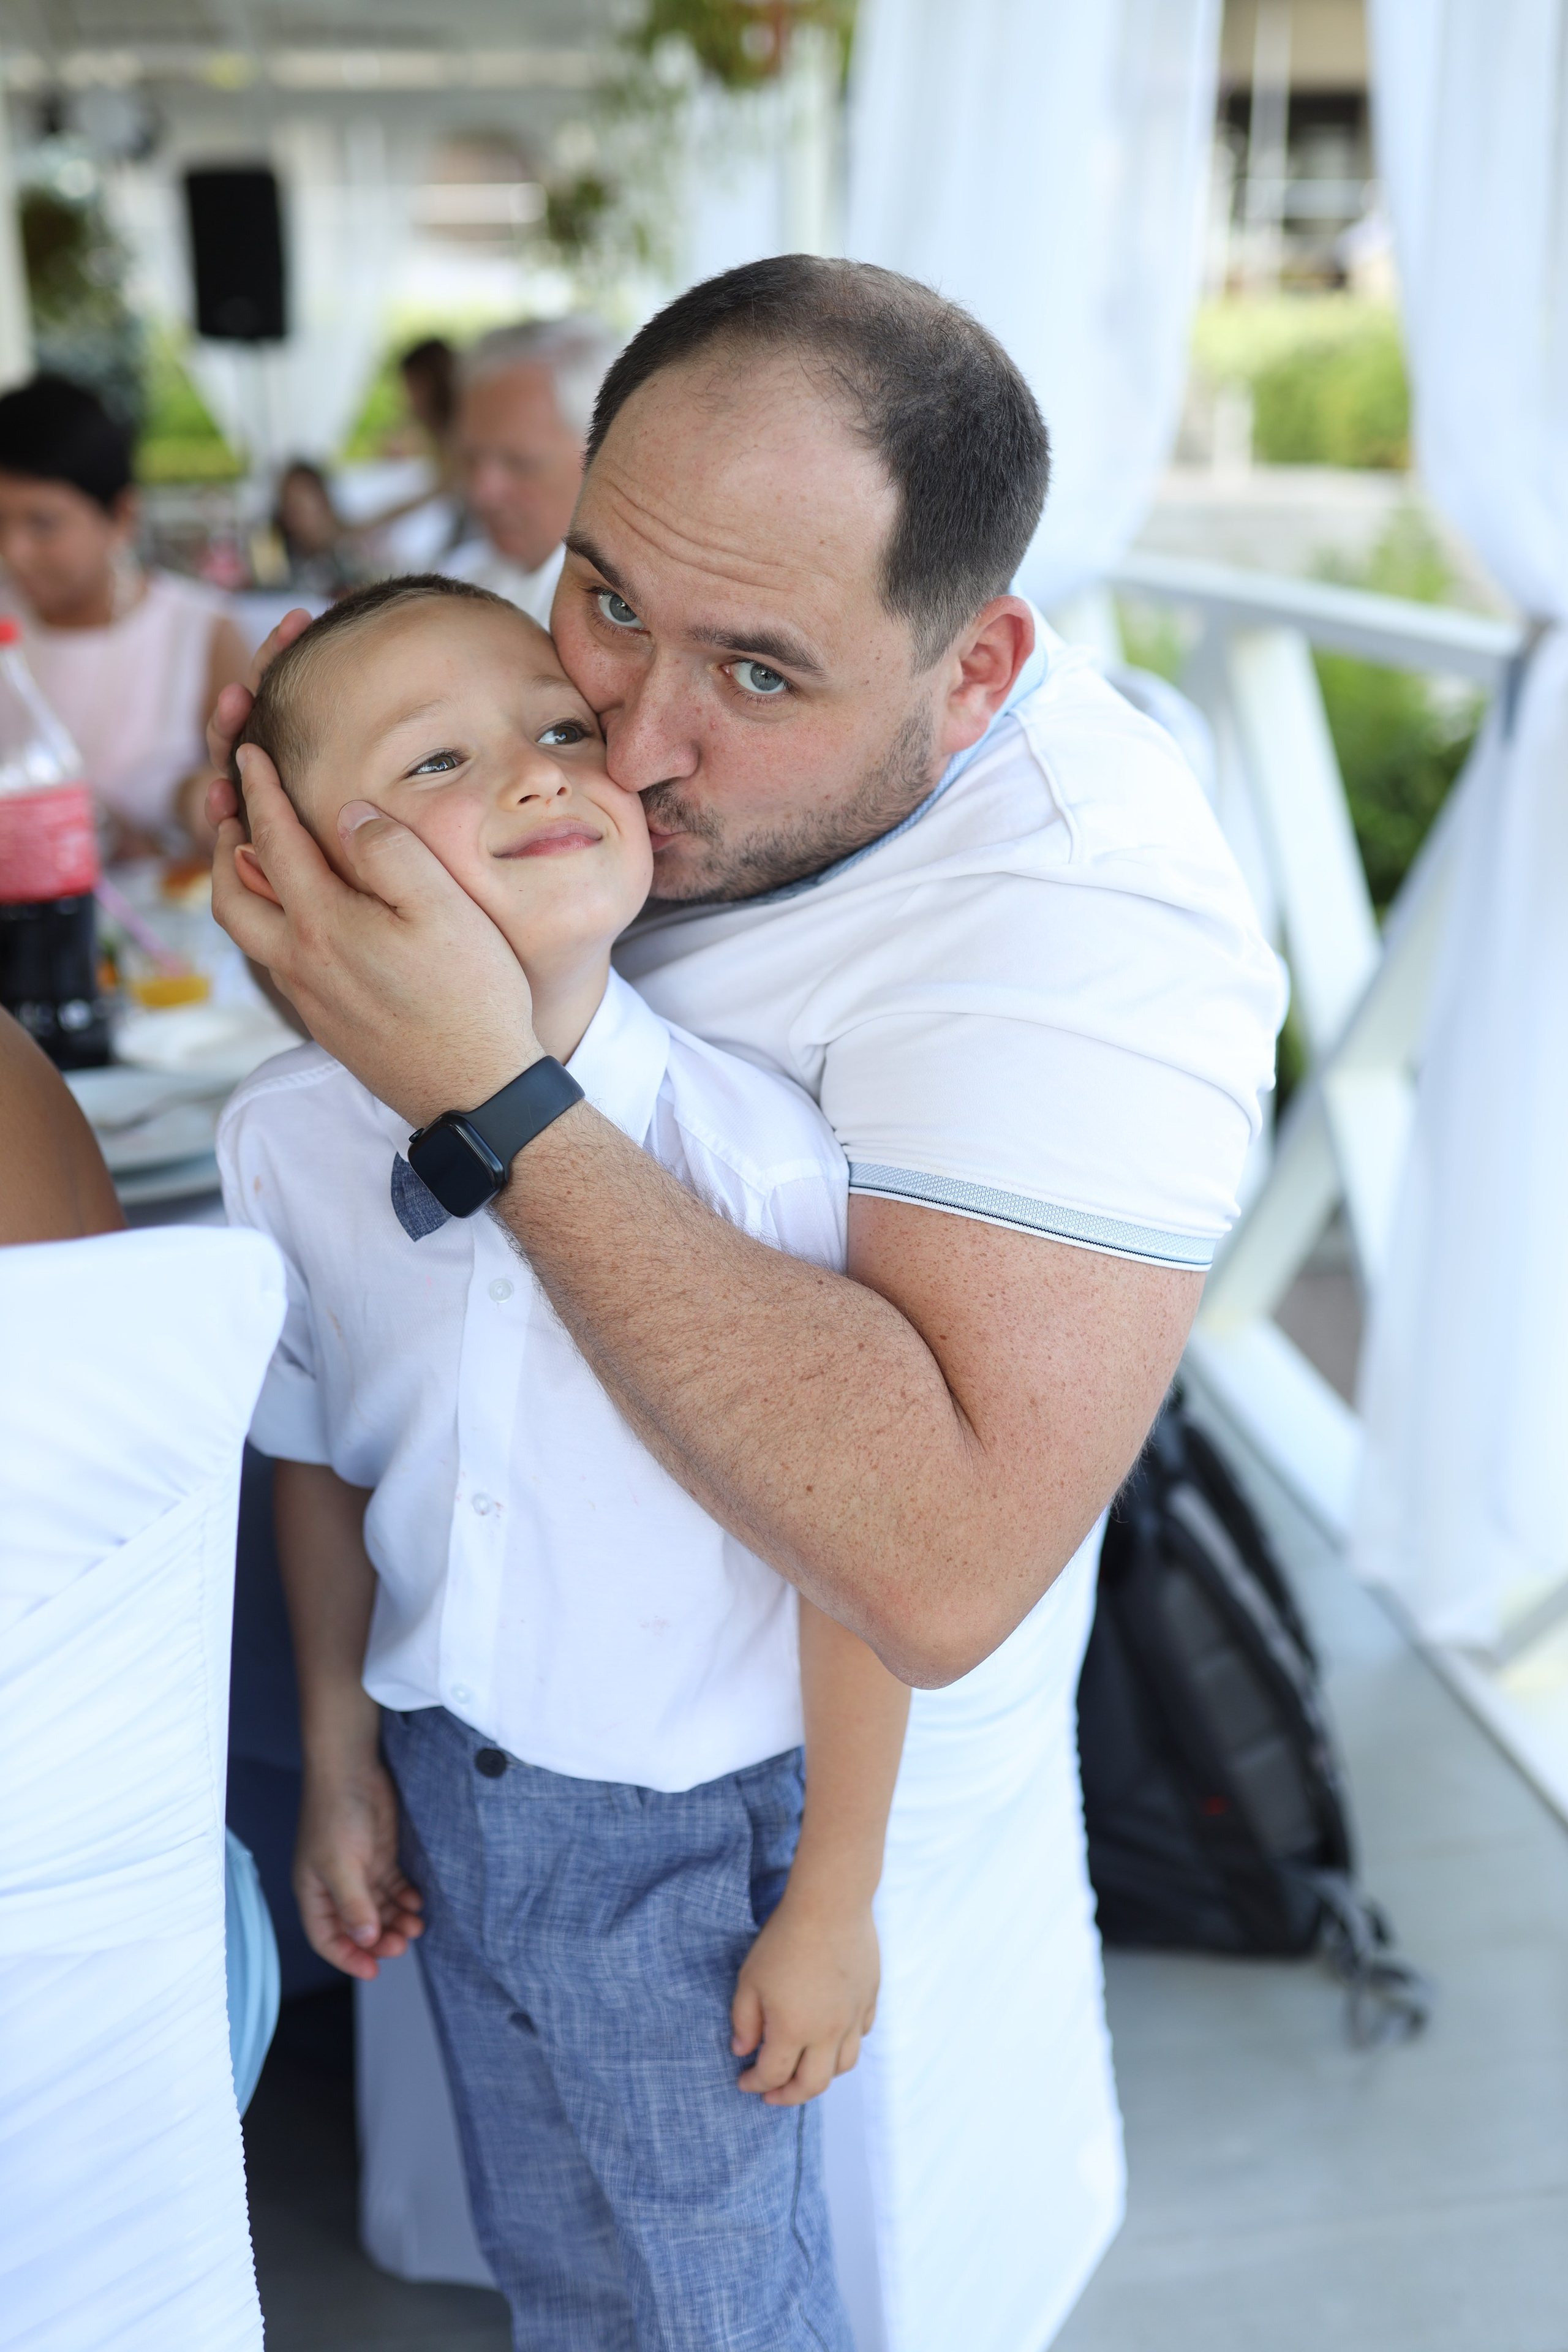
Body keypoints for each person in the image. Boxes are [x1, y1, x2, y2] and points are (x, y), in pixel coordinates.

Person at [206, 257, 1286, 2343]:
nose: (619, 734)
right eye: (599, 597)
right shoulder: (572, 764)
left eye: (762, 677)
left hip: (766, 1837)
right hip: (475, 1747)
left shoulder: (1095, 935)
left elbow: (932, 1558)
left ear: (975, 676)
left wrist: (490, 1092)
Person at [217, 573, 909, 2349]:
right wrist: (344, 1762)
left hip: (690, 1839)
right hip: (458, 1788)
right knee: (554, 2261)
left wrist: (834, 1896)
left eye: (554, 729)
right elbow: (318, 1458)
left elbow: (859, 1547)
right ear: (308, 867)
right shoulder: (286, 1143)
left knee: (727, 2302)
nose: (537, 774)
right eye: (440, 759)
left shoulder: (745, 1157)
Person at [0, 374, 248, 859]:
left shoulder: (199, 631)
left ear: (121, 516)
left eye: (42, 524)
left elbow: (241, 799)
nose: (15, 552)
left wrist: (190, 804)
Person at [443, 317, 619, 624]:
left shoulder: (619, 619)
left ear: (604, 458)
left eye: (520, 463)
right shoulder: (466, 577)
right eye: (470, 458)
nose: (482, 493)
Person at [273, 461, 372, 600]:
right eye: (291, 508)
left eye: (301, 507)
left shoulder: (350, 548)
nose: (296, 517)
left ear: (323, 502)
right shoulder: (284, 559)